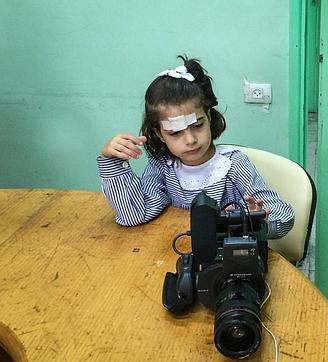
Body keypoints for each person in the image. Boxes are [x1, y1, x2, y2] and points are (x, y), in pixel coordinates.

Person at [97, 55, 294, 239]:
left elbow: (284, 216)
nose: (190, 140)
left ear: (208, 118)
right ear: (159, 134)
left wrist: (252, 220)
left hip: (228, 263)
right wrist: (112, 163)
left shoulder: (234, 165)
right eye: (175, 133)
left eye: (197, 125)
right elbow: (134, 215)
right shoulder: (162, 167)